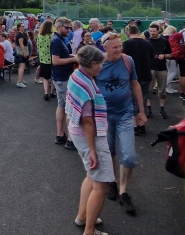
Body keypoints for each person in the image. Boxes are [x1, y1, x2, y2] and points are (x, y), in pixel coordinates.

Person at [97, 32, 146, 215]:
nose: (119, 50)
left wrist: (141, 111)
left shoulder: (127, 61)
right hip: (104, 115)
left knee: (129, 156)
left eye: (120, 46)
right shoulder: (97, 63)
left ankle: (123, 192)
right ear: (105, 48)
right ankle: (112, 182)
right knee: (109, 151)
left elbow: (135, 85)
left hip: (125, 113)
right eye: (115, 47)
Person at [67, 46, 111, 235]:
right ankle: (89, 231)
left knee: (91, 176)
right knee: (102, 184)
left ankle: (83, 216)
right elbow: (87, 121)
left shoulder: (77, 75)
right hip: (89, 137)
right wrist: (93, 150)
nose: (101, 66)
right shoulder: (85, 84)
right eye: (99, 63)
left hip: (77, 133)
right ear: (91, 63)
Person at [121, 25, 155, 135]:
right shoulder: (147, 43)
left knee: (132, 100)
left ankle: (135, 125)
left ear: (128, 33)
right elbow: (153, 56)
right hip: (146, 74)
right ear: (139, 32)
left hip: (132, 76)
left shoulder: (126, 44)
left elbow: (123, 58)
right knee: (143, 99)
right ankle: (142, 124)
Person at [52, 17, 80, 149]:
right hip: (62, 78)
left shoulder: (60, 39)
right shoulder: (57, 41)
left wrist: (71, 57)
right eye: (67, 28)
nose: (69, 30)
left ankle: (60, 134)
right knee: (69, 108)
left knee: (62, 105)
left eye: (70, 28)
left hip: (60, 77)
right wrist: (73, 59)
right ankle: (70, 139)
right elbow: (56, 61)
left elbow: (60, 57)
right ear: (59, 27)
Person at [146, 23, 172, 119]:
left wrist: (164, 56)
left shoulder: (164, 41)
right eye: (150, 31)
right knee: (149, 89)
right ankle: (149, 109)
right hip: (150, 68)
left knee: (162, 90)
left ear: (158, 31)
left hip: (162, 68)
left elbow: (170, 54)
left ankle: (162, 109)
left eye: (154, 31)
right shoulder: (147, 42)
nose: (152, 33)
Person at [37, 20, 55, 101]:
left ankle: (46, 93)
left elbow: (38, 46)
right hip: (52, 58)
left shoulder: (40, 35)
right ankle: (52, 92)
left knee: (45, 78)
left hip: (43, 59)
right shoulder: (52, 36)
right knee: (53, 77)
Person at [14, 23, 29, 88]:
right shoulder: (20, 35)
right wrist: (24, 52)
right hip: (21, 52)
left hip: (21, 51)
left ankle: (20, 79)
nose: (23, 27)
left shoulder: (22, 34)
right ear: (19, 27)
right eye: (22, 26)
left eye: (24, 26)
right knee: (22, 66)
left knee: (21, 66)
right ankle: (19, 81)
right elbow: (21, 44)